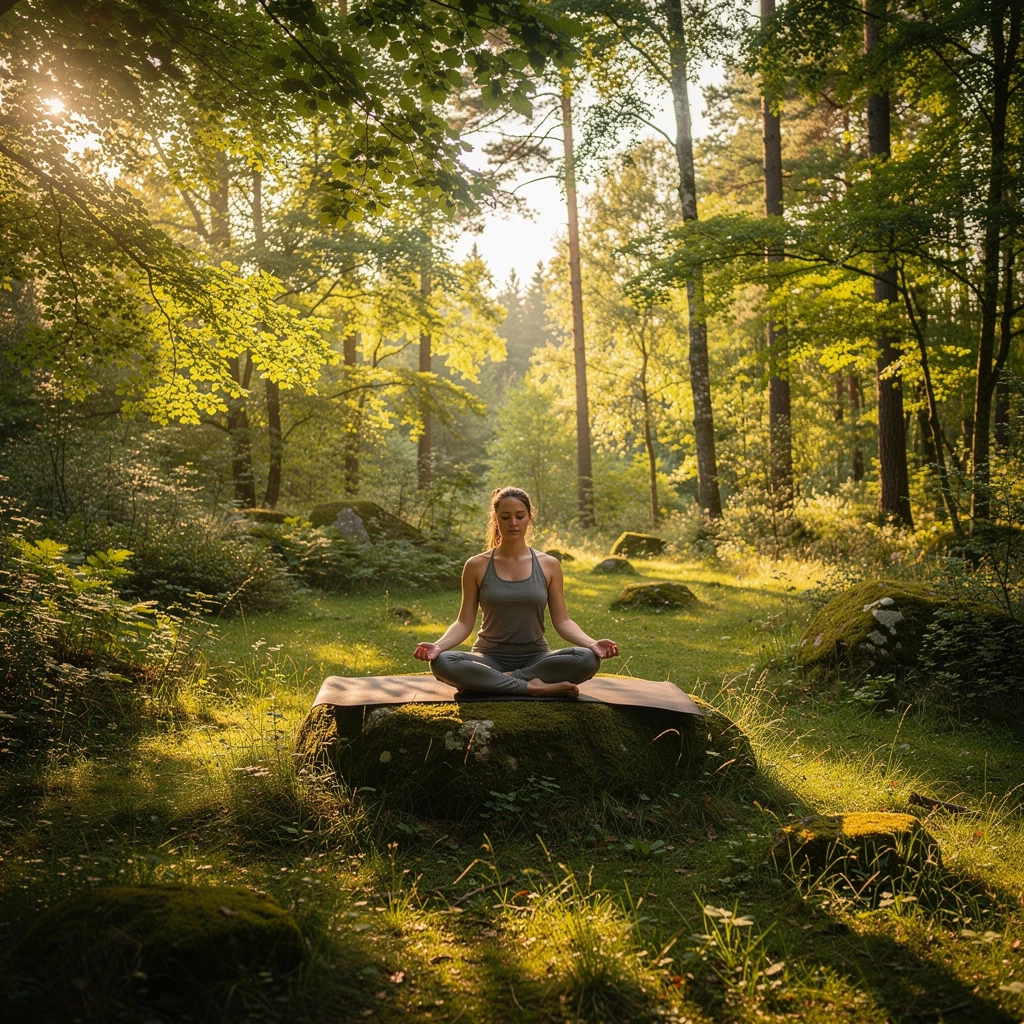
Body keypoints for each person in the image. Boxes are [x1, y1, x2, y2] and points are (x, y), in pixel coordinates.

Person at [413, 486, 619, 698]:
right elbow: (464, 622)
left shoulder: (549, 565)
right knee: (443, 663)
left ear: (529, 518)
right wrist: (437, 646)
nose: (513, 523)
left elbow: (563, 621)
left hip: (536, 657)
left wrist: (592, 643)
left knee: (587, 658)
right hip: (488, 657)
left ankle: (492, 682)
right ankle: (532, 687)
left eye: (520, 516)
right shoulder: (476, 565)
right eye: (505, 517)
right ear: (495, 519)